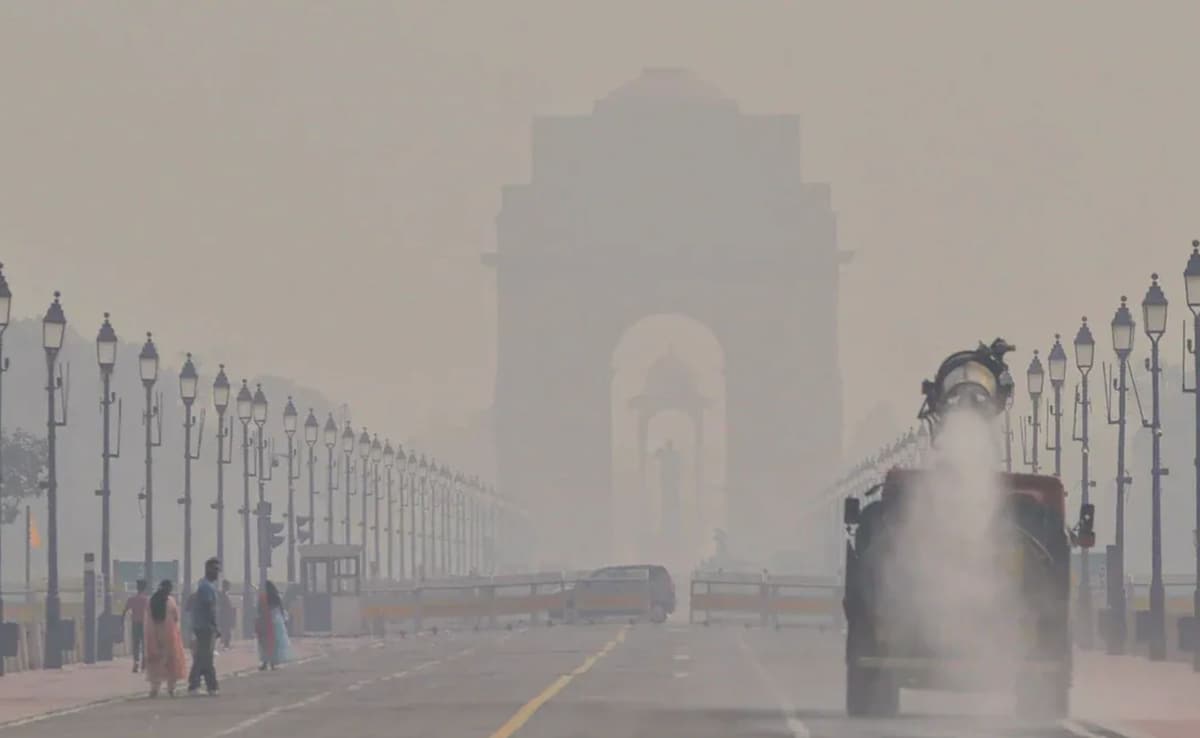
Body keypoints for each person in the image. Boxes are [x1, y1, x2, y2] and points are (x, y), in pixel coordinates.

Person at [143, 580, 187, 697]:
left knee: (155, 662)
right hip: (169, 636)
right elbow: (176, 617)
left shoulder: (150, 600)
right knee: (171, 662)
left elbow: (147, 618)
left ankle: (154, 689)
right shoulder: (170, 600)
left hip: (153, 635)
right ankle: (171, 688)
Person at [188, 557, 221, 696]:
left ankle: (207, 685)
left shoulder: (204, 586)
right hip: (205, 627)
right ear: (208, 570)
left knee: (203, 657)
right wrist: (214, 625)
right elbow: (209, 608)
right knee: (204, 657)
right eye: (215, 570)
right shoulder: (206, 587)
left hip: (202, 625)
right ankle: (203, 686)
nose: (217, 573)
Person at [256, 580, 293, 670]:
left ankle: (264, 662)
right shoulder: (276, 597)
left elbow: (259, 610)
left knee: (264, 643)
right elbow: (280, 609)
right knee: (276, 642)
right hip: (276, 620)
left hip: (265, 620)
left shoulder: (262, 597)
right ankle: (273, 662)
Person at [121, 579, 150, 673]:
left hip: (135, 623)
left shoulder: (131, 599)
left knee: (136, 644)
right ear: (145, 588)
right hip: (145, 624)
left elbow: (124, 611)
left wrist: (121, 621)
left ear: (137, 588)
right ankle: (144, 664)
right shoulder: (147, 600)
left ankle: (136, 663)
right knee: (145, 644)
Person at [217, 579, 236, 650]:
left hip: (225, 615)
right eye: (228, 586)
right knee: (225, 631)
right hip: (224, 616)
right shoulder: (222, 594)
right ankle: (225, 645)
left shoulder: (224, 594)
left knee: (226, 631)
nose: (229, 587)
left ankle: (225, 644)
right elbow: (222, 605)